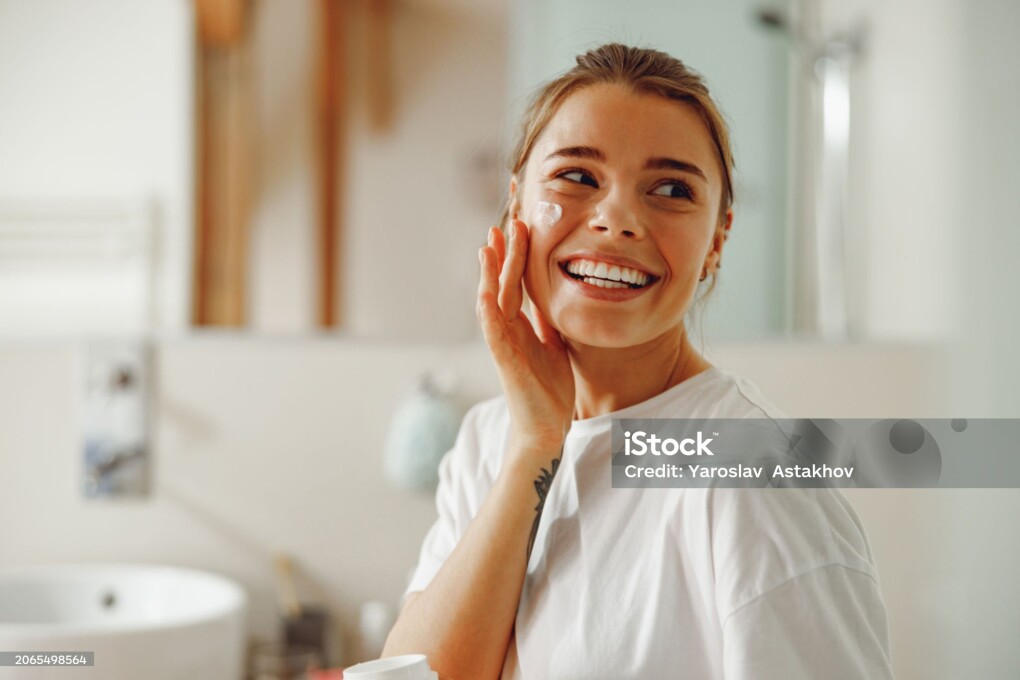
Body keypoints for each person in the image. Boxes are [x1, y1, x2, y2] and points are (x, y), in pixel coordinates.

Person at [382, 43, 893, 680]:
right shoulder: (490, 440)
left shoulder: (757, 473)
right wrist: (534, 446)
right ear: (516, 206)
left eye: (672, 189)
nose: (617, 219)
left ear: (717, 240)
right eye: (577, 177)